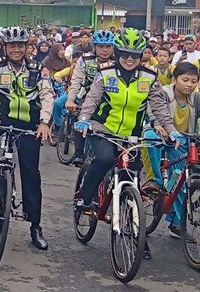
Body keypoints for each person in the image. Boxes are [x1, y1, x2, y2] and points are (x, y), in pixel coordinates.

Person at [74, 28, 178, 215]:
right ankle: (85, 196)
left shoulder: (149, 77)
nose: (130, 59)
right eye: (125, 54)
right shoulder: (105, 73)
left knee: (132, 173)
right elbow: (92, 99)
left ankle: (130, 220)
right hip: (103, 127)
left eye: (135, 55)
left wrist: (171, 130)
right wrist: (83, 119)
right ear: (117, 53)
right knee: (105, 159)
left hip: (132, 134)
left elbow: (159, 107)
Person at [0, 26, 53, 251]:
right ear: (5, 48)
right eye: (12, 46)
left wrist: (44, 122)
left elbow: (47, 95)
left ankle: (35, 227)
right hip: (1, 117)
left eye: (20, 46)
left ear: (27, 48)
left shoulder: (38, 69)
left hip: (29, 123)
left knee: (31, 175)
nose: (16, 49)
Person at [142, 62, 200, 239]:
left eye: (193, 81)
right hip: (162, 135)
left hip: (182, 141)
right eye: (185, 80)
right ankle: (154, 181)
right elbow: (153, 111)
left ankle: (177, 223)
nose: (189, 85)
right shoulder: (164, 93)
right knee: (150, 138)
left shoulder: (196, 98)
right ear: (175, 79)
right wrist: (158, 125)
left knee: (182, 181)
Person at [53, 29, 115, 165]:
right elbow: (76, 81)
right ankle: (79, 154)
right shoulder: (85, 59)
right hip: (84, 96)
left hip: (109, 99)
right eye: (101, 46)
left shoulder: (117, 62)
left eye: (108, 46)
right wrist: (70, 100)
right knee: (79, 117)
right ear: (95, 46)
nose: (104, 50)